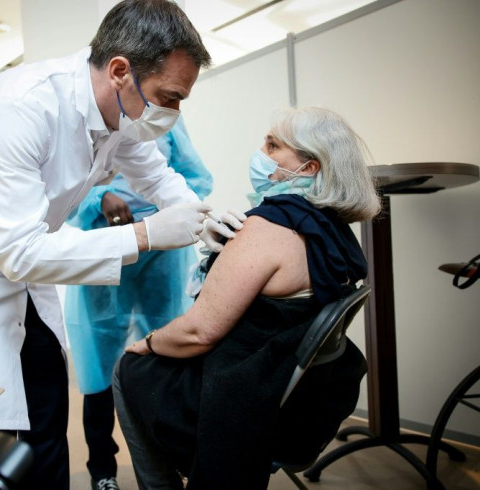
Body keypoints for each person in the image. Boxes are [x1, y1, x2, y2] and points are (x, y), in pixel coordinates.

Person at [0, 1, 236, 487]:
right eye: (169, 96)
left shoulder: (119, 114)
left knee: (46, 389)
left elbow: (158, 175)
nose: (174, 112)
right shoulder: (19, 107)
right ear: (120, 71)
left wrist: (203, 216)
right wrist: (145, 236)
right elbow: (17, 253)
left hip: (31, 246)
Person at [112, 106, 382, 489]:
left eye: (273, 145)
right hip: (302, 398)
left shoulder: (266, 227)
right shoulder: (333, 230)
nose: (260, 152)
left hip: (242, 397)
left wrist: (148, 343)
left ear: (308, 168)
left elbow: (198, 333)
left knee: (128, 370)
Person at [64, 115, 213, 490]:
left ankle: (168, 464)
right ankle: (102, 471)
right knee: (97, 367)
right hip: (105, 247)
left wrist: (163, 219)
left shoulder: (166, 124)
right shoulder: (86, 126)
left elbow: (195, 179)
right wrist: (101, 199)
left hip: (161, 253)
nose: (171, 103)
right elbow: (66, 197)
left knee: (163, 358)